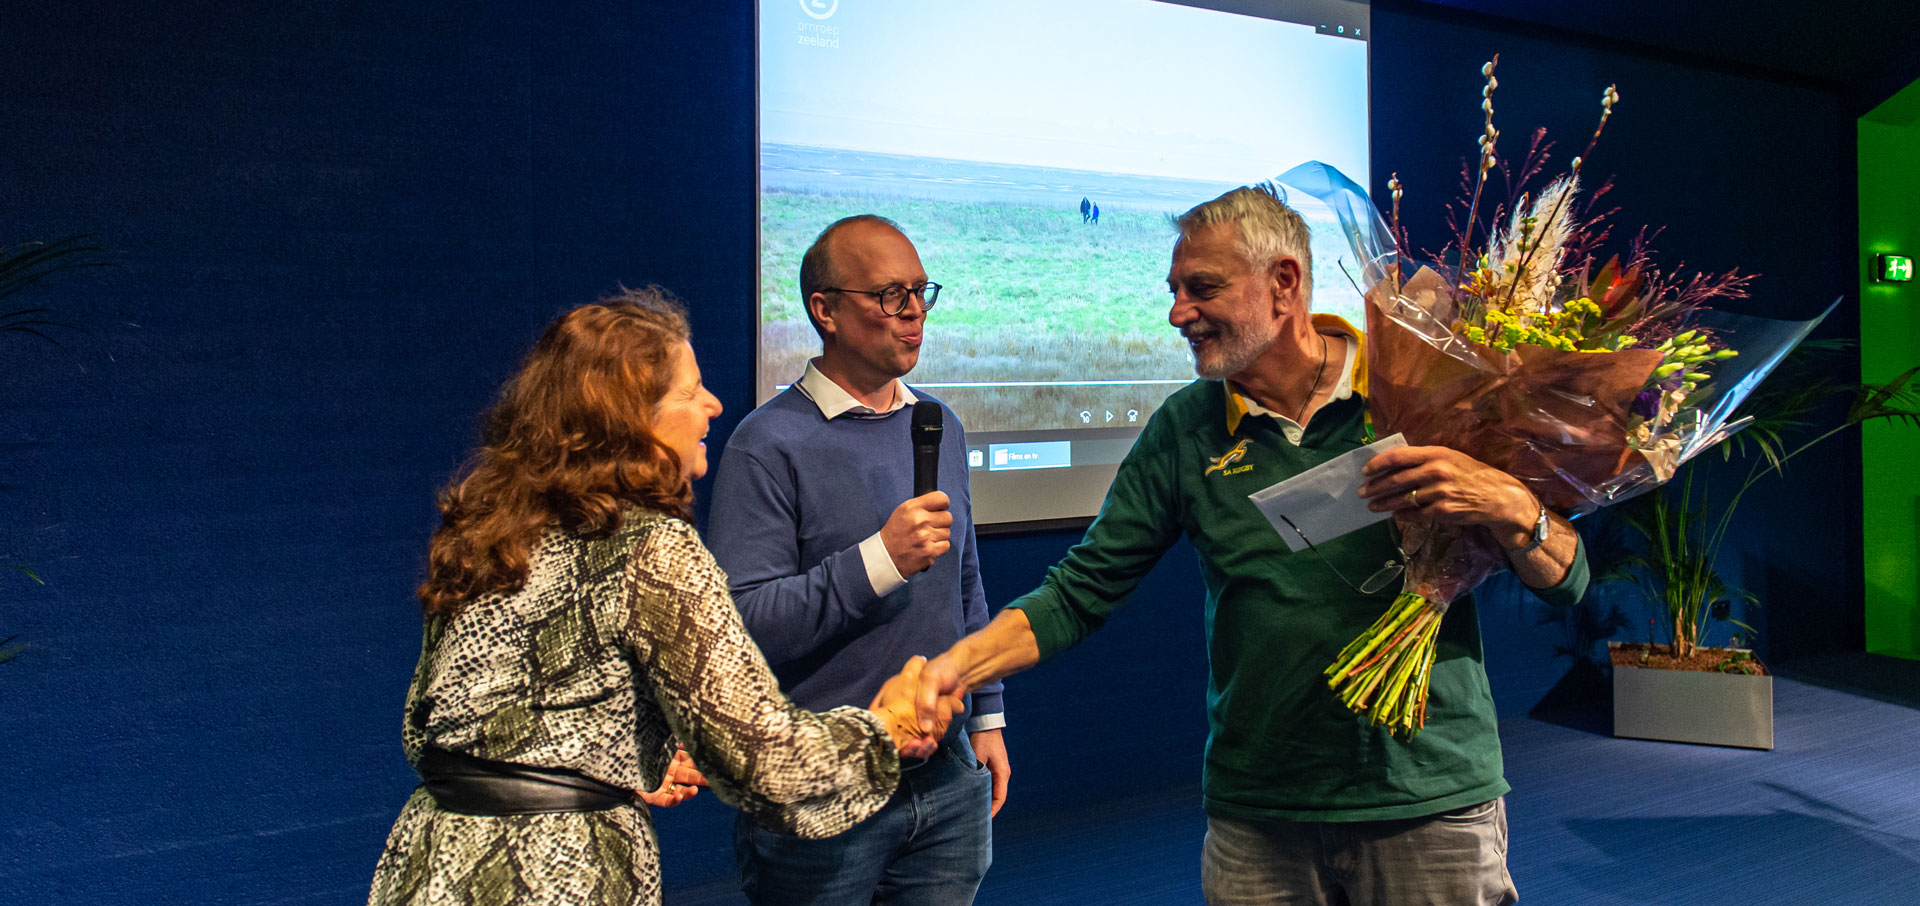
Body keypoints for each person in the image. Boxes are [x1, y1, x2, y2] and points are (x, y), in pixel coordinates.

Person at [912, 186, 1589, 906]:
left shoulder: (1419, 389)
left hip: (1429, 799)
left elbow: (1568, 580)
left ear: (1285, 284)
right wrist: (955, 667)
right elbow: (1080, 593)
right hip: (1258, 815)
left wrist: (1512, 505)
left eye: (1201, 288)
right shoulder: (1186, 429)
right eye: (1173, 291)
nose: (1178, 313)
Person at [366, 288, 961, 906]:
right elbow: (764, 763)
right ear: (631, 416)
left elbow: (440, 727)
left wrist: (623, 756)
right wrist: (882, 731)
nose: (712, 404)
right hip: (556, 879)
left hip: (430, 861)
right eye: (688, 391)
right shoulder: (653, 549)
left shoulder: (487, 528)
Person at [708, 215, 1005, 905]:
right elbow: (745, 625)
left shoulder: (940, 423)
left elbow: (964, 580)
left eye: (920, 293)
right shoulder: (768, 445)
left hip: (947, 775)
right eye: (889, 296)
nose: (912, 316)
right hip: (823, 788)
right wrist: (881, 560)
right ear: (826, 311)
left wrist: (987, 716)